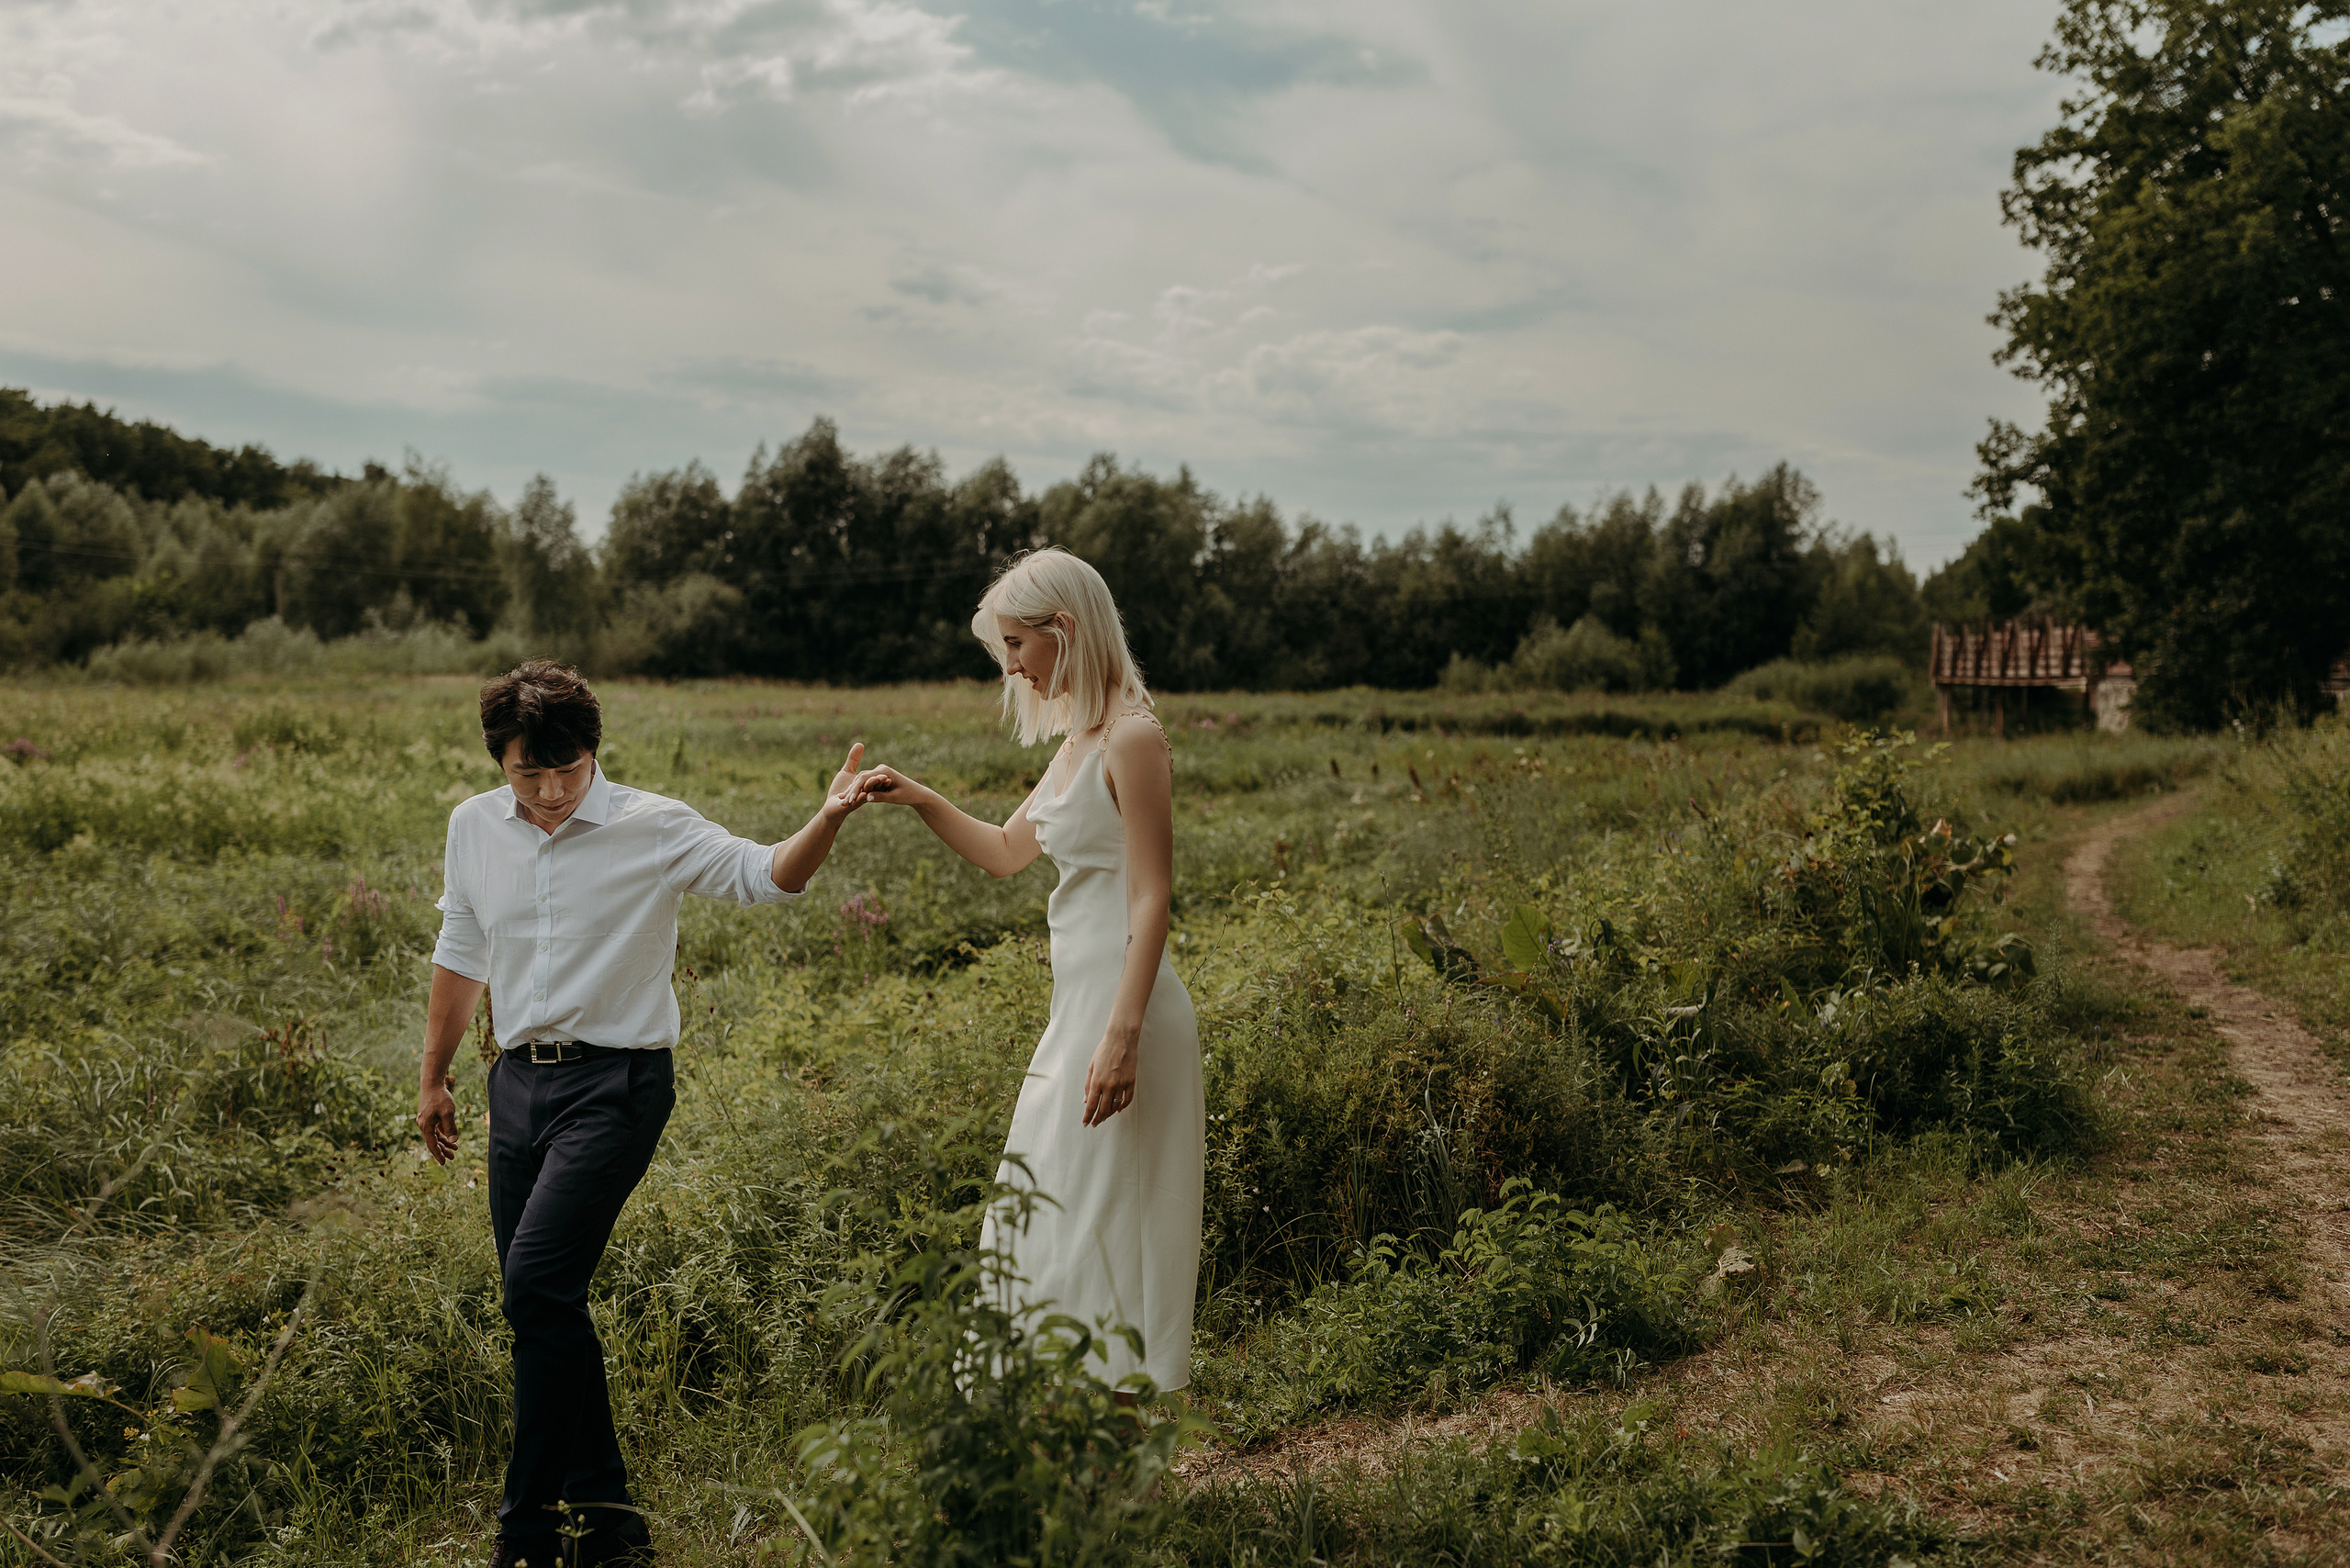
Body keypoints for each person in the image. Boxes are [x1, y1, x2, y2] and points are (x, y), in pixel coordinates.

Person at [416, 661, 868, 1568]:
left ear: (594, 751)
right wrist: (435, 1075)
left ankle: (528, 1533)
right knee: (543, 1306)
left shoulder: (650, 825)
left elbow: (765, 877)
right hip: (517, 1084)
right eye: (524, 773)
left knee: (536, 1286)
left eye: (565, 770)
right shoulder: (474, 827)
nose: (546, 792)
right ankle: (611, 1525)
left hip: (615, 1087)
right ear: (498, 762)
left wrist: (824, 819)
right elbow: (461, 949)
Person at [852, 548, 1205, 1399]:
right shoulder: (1080, 743)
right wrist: (921, 798)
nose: (1010, 665)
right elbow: (1010, 854)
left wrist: (1121, 1037)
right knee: (1043, 1217)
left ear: (1066, 630)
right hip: (1076, 1015)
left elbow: (1152, 901)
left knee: (1108, 1225)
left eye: (1017, 644)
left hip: (1127, 1016)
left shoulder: (1134, 738)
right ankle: (1069, 1448)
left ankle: (1120, 1462)